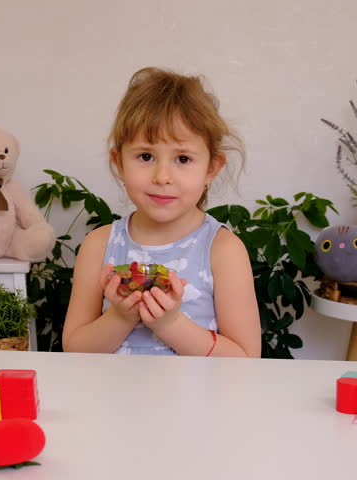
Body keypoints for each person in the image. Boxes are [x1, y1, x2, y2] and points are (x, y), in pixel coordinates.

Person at [63, 67, 261, 357]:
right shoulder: (99, 245)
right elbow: (74, 349)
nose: (162, 176)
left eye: (183, 158)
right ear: (119, 163)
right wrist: (121, 316)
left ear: (211, 168)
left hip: (198, 404)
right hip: (111, 402)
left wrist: (170, 324)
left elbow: (245, 359)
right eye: (145, 156)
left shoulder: (223, 250)